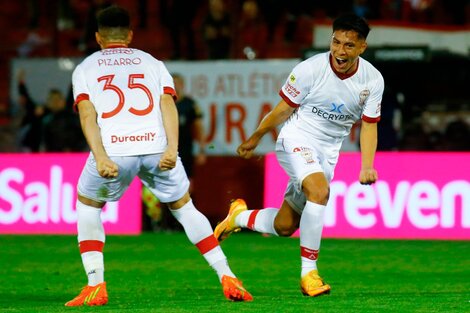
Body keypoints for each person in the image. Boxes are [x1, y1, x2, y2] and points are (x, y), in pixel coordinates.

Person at [65, 6, 252, 306]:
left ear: (98, 37)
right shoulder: (152, 62)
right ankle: (227, 275)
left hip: (115, 150)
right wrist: (171, 149)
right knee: (185, 209)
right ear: (129, 35)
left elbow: (87, 114)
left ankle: (95, 285)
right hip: (156, 148)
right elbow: (168, 104)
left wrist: (100, 157)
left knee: (88, 206)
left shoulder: (85, 68)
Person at [214, 13, 384, 297]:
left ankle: (238, 218)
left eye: (349, 46)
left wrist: (367, 166)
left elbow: (368, 125)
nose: (340, 51)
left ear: (362, 48)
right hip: (296, 139)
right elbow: (283, 109)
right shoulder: (310, 69)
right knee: (319, 191)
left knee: (285, 225)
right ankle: (310, 274)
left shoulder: (373, 80)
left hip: (327, 153)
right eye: (336, 42)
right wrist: (256, 136)